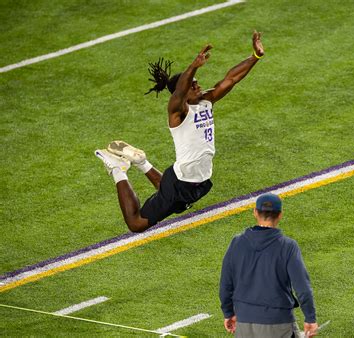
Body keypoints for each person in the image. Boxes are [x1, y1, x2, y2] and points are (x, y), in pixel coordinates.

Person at [95, 31, 264, 233]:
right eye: (192, 85)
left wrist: (255, 57)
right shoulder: (178, 112)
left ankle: (141, 162)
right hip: (184, 181)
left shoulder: (206, 101)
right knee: (137, 223)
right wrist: (192, 67)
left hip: (194, 179)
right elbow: (180, 91)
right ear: (182, 92)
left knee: (169, 198)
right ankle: (117, 168)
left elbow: (231, 78)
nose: (197, 85)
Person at [219, 193, 319, 337]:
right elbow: (302, 288)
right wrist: (310, 318)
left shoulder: (237, 243)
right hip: (278, 323)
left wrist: (228, 313)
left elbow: (225, 284)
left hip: (244, 324)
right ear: (280, 215)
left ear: (255, 212)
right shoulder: (288, 246)